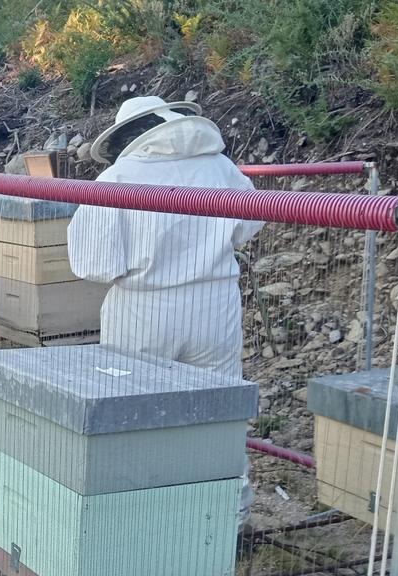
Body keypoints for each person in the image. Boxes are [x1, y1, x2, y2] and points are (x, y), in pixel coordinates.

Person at [68, 95, 263, 522]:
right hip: (216, 305)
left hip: (145, 308)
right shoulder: (220, 167)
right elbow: (250, 224)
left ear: (130, 134)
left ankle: (141, 522)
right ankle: (227, 521)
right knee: (218, 415)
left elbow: (93, 264)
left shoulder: (119, 177)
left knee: (133, 414)